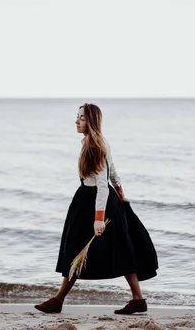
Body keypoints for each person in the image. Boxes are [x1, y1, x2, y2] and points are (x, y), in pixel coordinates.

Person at [34, 103, 158, 315]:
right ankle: (138, 299)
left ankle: (58, 300)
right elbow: (114, 174)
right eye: (77, 117)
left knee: (77, 250)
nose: (76, 121)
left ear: (91, 121)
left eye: (81, 118)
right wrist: (121, 193)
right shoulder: (97, 142)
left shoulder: (95, 147)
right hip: (94, 200)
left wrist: (98, 218)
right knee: (121, 250)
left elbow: (102, 184)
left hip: (94, 203)